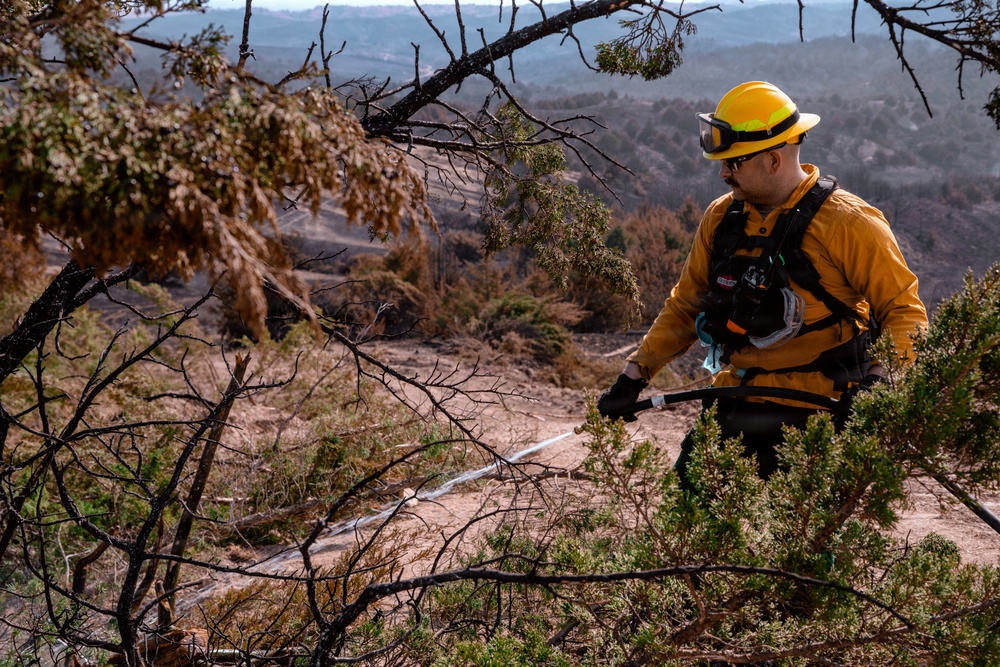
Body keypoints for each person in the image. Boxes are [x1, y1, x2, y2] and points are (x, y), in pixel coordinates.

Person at [598, 81, 927, 484]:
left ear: (773, 160)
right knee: (686, 513)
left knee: (795, 527)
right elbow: (685, 306)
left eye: (733, 163)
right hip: (733, 403)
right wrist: (632, 377)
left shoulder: (848, 223)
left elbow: (904, 312)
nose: (723, 173)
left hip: (820, 417)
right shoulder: (721, 218)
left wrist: (878, 385)